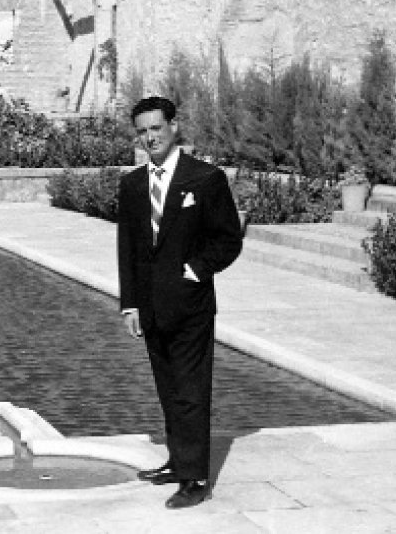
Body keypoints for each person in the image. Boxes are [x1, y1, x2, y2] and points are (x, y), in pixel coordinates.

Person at [116, 95, 243, 509]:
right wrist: (130, 304)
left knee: (190, 390)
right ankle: (178, 460)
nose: (150, 137)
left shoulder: (205, 179)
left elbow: (227, 239)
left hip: (190, 305)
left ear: (173, 127)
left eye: (156, 128)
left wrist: (195, 270)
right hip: (151, 307)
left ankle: (196, 478)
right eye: (143, 131)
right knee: (168, 388)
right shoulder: (133, 184)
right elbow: (129, 249)